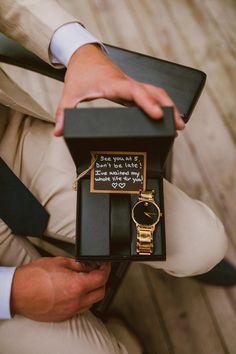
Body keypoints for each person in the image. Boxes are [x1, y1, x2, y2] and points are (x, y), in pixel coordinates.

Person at [0, 1, 228, 353]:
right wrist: (10, 292)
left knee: (203, 243)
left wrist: (79, 49)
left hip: (9, 141)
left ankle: (147, 262)